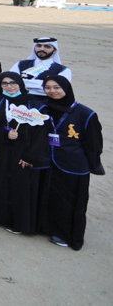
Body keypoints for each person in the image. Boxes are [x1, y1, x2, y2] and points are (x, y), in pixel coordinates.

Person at [41, 76, 104, 250]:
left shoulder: (85, 114)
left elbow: (94, 144)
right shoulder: (43, 109)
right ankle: (47, 228)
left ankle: (67, 235)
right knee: (49, 196)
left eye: (56, 87)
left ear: (66, 88)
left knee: (70, 202)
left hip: (73, 165)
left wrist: (92, 164)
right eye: (47, 87)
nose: (52, 91)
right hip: (48, 161)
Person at [0, 73, 49, 235]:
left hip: (23, 151)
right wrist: (5, 133)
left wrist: (30, 156)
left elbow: (41, 135)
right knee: (0, 182)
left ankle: (19, 223)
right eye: (4, 83)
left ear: (20, 84)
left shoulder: (35, 105)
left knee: (20, 186)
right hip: (1, 149)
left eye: (13, 83)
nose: (9, 86)